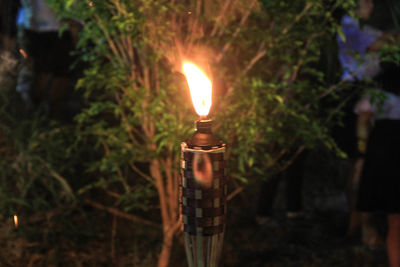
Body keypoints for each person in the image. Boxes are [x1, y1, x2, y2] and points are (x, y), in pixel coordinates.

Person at [355, 63, 400, 267]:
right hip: (387, 152)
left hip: (384, 150)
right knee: (396, 222)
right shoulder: (378, 92)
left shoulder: (377, 91)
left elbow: (364, 120)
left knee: (395, 222)